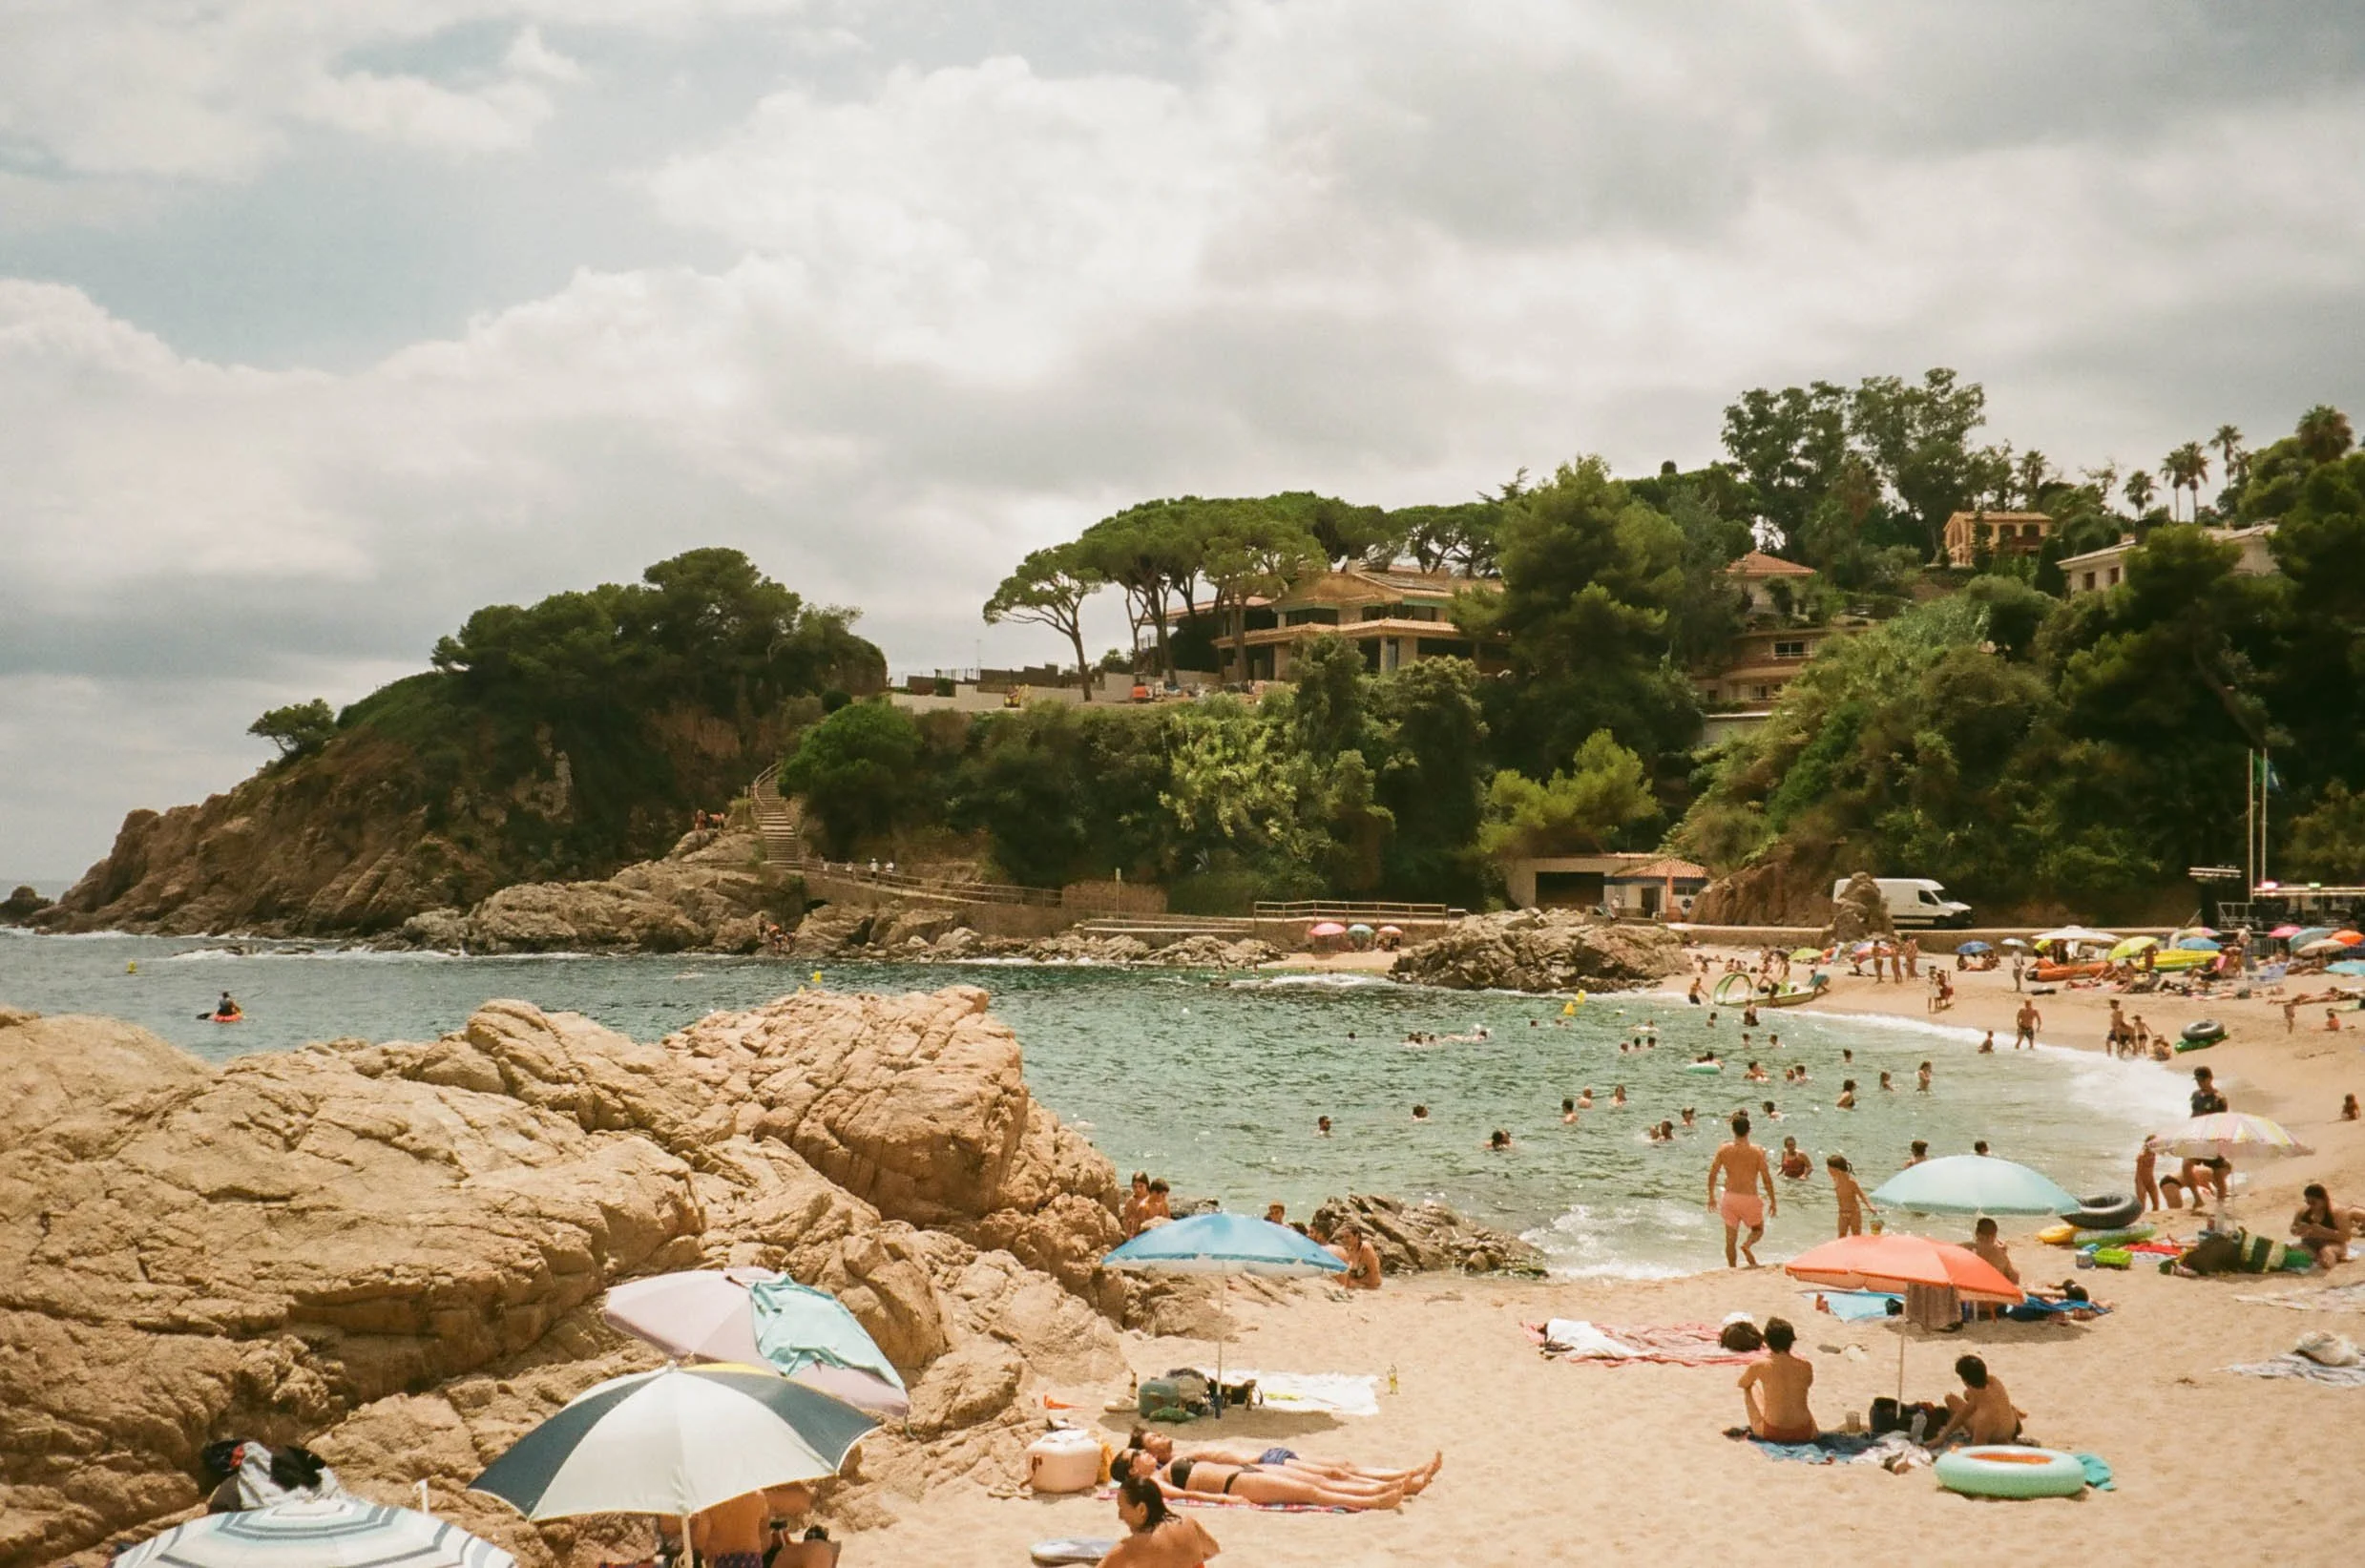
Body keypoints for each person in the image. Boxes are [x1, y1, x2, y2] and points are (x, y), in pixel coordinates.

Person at [1124, 1429, 1439, 1495]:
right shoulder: (1174, 1466)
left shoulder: (1182, 1456)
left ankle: (1407, 1476)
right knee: (1332, 1474)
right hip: (1264, 1464)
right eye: (1153, 1440)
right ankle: (1403, 1482)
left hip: (1268, 1457)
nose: (1161, 1438)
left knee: (1341, 1467)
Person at [1119, 1447, 1404, 1511]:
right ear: (1132, 1470)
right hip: (1235, 1484)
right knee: (1310, 1491)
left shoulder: (1169, 1462)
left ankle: (1375, 1487)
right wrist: (1223, 1498)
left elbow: (1215, 1455)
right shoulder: (1153, 1481)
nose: (1145, 1453)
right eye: (1137, 1454)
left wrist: (1251, 1460)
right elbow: (1181, 1496)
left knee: (1320, 1480)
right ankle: (1374, 1501)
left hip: (1246, 1471)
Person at [1098, 1474, 1221, 1568]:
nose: (1120, 1516)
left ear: (1141, 1509)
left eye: (1122, 1509)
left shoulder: (1130, 1547)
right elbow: (1213, 1550)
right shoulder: (1188, 1523)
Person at [1706, 1113, 1778, 1268]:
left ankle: (1732, 1268)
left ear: (1733, 1130)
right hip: (1749, 1197)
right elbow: (1766, 1179)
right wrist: (1773, 1200)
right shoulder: (1757, 1151)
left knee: (1730, 1239)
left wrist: (1711, 1196)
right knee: (1758, 1229)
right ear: (1749, 1130)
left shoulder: (1724, 1149)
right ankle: (1747, 1244)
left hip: (1730, 1198)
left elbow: (1713, 1174)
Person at [1736, 1317, 1817, 1443]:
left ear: (1767, 1342)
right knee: (1796, 1397)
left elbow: (1742, 1383)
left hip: (1773, 1432)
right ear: (1791, 1341)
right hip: (1805, 1432)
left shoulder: (1759, 1365)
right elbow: (1808, 1384)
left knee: (1750, 1387)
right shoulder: (1806, 1366)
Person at [1933, 1355, 2025, 1447]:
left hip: (1997, 1437)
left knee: (1950, 1399)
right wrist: (1943, 1436)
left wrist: (1958, 1446)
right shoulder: (1994, 1381)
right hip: (2011, 1426)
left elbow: (1977, 1449)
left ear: (1965, 1381)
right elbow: (1967, 1409)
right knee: (1967, 1394)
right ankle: (2015, 1412)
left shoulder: (1984, 1417)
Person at [2292, 1184, 2351, 1269]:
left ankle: (2321, 1256)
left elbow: (2346, 1237)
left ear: (2324, 1200)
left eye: (2313, 1202)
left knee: (2326, 1256)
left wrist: (2323, 1230)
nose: (2310, 1205)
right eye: (2307, 1202)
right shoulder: (2304, 1210)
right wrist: (2297, 1230)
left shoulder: (2336, 1212)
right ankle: (2317, 1256)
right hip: (2310, 1243)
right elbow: (2293, 1228)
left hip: (2332, 1244)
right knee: (2289, 1253)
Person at [1330, 1221, 1382, 1289]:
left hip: (1370, 1288)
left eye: (1348, 1237)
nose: (1344, 1240)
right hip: (1356, 1288)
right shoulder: (1347, 1251)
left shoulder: (1365, 1249)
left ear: (1356, 1236)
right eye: (1343, 1237)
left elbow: (1376, 1280)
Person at [1828, 1156, 1869, 1238]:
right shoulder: (1836, 1179)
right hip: (1842, 1213)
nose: (1828, 1170)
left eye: (1829, 1168)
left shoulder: (1851, 1181)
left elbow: (1861, 1195)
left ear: (1837, 1169)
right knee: (1841, 1235)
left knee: (1856, 1235)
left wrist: (1870, 1206)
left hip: (1854, 1213)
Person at [2135, 1139, 2163, 1212]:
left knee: (2156, 1204)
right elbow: (2138, 1173)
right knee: (2142, 1206)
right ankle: (2141, 1221)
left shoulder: (2154, 1153)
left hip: (2151, 1180)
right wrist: (2140, 1185)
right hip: (2141, 1181)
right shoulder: (2141, 1156)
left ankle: (2156, 1221)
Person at [1123, 1172, 1154, 1238]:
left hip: (1153, 1231)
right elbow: (1125, 1220)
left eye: (1141, 1186)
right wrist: (1129, 1235)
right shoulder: (1131, 1201)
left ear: (1147, 1185)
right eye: (1135, 1187)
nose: (1138, 1189)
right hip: (1138, 1234)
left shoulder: (1153, 1198)